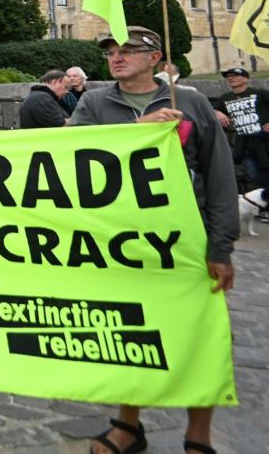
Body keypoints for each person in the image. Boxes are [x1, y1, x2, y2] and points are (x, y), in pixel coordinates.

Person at [69, 27, 237, 454]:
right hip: (123, 241)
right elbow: (68, 154)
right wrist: (137, 129)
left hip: (186, 241)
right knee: (132, 336)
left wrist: (221, 247)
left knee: (199, 337)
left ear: (156, 58)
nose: (117, 57)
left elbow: (219, 175)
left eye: (128, 50)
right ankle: (128, 425)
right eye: (111, 51)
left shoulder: (192, 102)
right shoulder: (94, 102)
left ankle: (198, 435)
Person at [214, 66, 269, 195]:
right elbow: (209, 110)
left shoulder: (260, 93)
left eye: (234, 75)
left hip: (265, 142)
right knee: (257, 179)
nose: (230, 78)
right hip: (246, 146)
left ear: (245, 79)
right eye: (228, 76)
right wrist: (216, 112)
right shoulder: (225, 98)